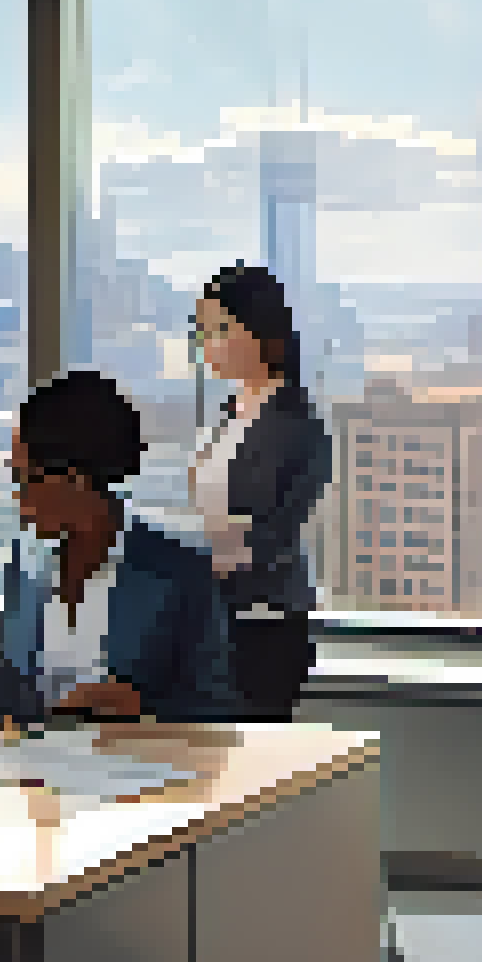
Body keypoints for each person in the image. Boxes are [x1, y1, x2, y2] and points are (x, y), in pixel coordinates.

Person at [0, 371, 238, 726]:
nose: (20, 499)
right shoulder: (26, 569)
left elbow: (216, 709)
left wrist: (142, 711)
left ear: (74, 479)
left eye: (26, 480)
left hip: (141, 759)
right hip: (34, 760)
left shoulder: (179, 573)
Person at [190, 263, 332, 721]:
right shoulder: (228, 413)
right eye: (202, 331)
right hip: (214, 616)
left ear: (262, 332)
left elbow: (274, 533)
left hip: (264, 620)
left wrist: (194, 564)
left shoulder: (295, 422)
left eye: (220, 329)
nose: (207, 343)